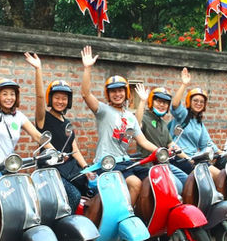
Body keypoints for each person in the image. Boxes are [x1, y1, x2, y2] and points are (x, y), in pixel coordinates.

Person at [79, 45, 159, 203]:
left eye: (120, 90)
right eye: (113, 91)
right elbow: (85, 94)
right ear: (108, 94)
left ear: (126, 92)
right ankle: (126, 215)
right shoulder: (103, 111)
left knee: (152, 180)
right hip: (107, 163)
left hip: (125, 162)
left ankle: (140, 213)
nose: (117, 94)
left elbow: (142, 141)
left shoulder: (130, 117)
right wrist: (87, 68)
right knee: (135, 184)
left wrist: (161, 150)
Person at [27, 53, 91, 210]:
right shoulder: (44, 119)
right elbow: (39, 97)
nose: (60, 101)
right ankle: (64, 229)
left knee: (93, 190)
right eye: (57, 97)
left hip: (69, 169)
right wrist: (38, 69)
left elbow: (74, 150)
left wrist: (88, 169)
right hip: (50, 171)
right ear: (51, 98)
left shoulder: (67, 124)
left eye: (64, 98)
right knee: (74, 196)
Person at [0, 43, 44, 179]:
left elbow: (37, 136)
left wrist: (53, 150)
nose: (9, 98)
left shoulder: (19, 117)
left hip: (9, 166)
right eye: (4, 94)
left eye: (12, 94)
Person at [134, 84, 186, 186]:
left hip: (164, 163)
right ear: (151, 102)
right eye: (158, 101)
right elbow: (136, 123)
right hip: (149, 165)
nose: (162, 105)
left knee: (188, 180)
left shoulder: (163, 123)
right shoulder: (144, 117)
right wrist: (142, 101)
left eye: (165, 103)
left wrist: (189, 158)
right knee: (178, 186)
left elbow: (171, 144)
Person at [170, 68, 216, 173]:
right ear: (189, 102)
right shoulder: (183, 115)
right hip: (178, 157)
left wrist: (220, 152)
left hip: (194, 159)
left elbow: (207, 143)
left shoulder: (199, 124)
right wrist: (184, 84)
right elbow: (175, 104)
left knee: (218, 174)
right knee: (207, 175)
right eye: (195, 100)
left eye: (201, 102)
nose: (198, 103)